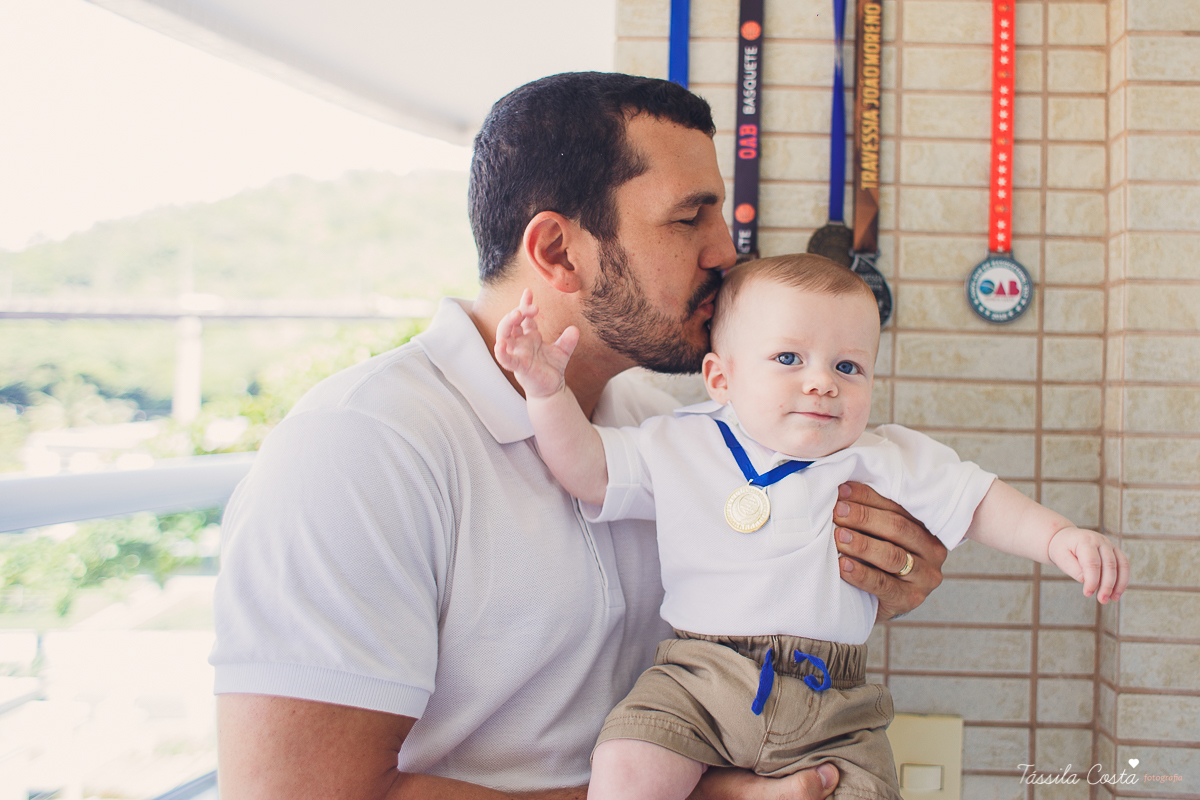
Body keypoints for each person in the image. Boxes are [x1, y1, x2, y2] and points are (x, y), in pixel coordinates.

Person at [212, 73, 951, 800]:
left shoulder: (654, 423)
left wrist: (871, 577)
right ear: (559, 252)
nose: (728, 253)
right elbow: (296, 791)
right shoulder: (360, 450)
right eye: (690, 218)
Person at [493, 253, 1130, 800]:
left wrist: (1057, 538)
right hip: (696, 682)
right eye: (790, 358)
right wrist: (547, 394)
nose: (822, 383)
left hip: (835, 700)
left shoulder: (884, 457)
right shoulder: (679, 442)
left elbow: (981, 500)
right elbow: (591, 471)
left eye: (848, 368)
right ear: (722, 377)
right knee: (626, 764)